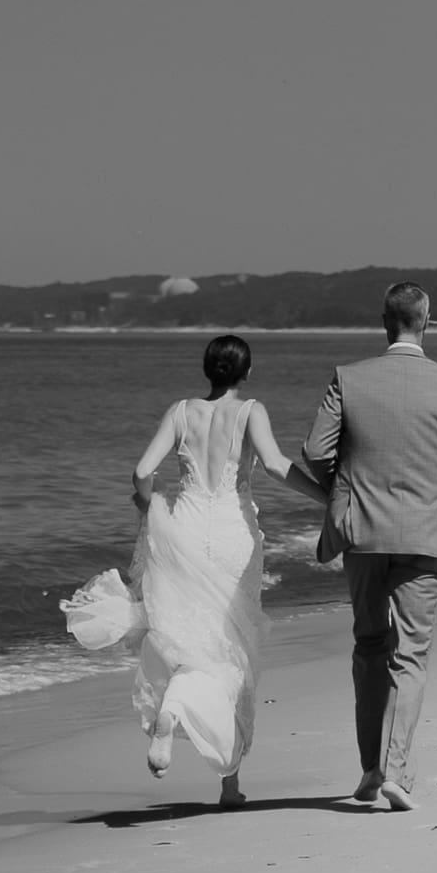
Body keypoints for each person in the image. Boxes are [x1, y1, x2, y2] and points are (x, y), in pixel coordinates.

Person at [304, 282, 437, 811]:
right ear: (425, 322)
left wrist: (345, 487)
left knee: (368, 645)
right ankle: (398, 774)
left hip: (362, 532)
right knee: (411, 655)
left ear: (385, 322)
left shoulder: (350, 378)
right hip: (425, 532)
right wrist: (436, 494)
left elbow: (316, 451)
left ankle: (369, 770)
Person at [128, 334, 325, 808]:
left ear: (207, 369)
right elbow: (276, 464)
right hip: (234, 534)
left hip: (187, 526)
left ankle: (174, 708)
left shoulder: (180, 411)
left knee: (188, 636)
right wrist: (328, 498)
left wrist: (148, 510)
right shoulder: (250, 409)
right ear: (246, 372)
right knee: (232, 644)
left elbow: (141, 472)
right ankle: (229, 781)